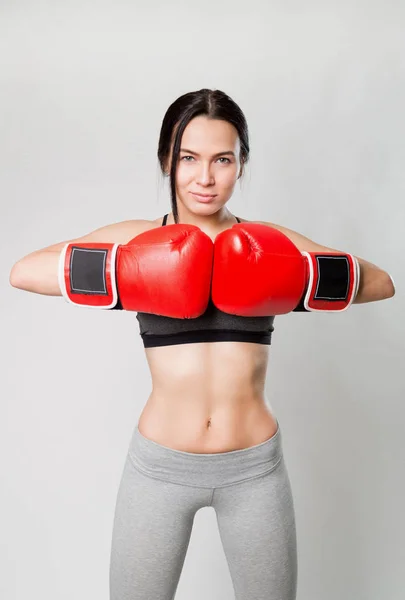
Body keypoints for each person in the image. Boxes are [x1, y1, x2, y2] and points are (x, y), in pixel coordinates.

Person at [9, 88, 395, 600]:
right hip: (160, 468)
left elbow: (382, 283)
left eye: (223, 160)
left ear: (241, 164)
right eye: (189, 158)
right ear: (167, 160)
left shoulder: (267, 244)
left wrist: (292, 277)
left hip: (254, 469)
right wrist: (129, 270)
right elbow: (23, 272)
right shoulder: (138, 239)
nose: (206, 178)